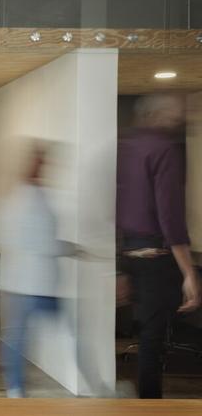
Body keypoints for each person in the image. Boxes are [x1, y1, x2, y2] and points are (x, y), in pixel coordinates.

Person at [117, 93, 201, 398]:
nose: (178, 119)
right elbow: (170, 216)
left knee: (147, 336)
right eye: (173, 114)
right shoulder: (164, 148)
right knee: (154, 340)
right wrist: (189, 272)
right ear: (155, 115)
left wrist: (121, 267)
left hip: (130, 253)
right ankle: (150, 404)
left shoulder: (126, 147)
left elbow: (119, 206)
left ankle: (144, 398)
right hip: (156, 258)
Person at [0, 140, 75, 398]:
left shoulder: (26, 195)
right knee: (21, 338)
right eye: (42, 160)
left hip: (26, 282)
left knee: (16, 337)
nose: (46, 165)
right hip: (28, 283)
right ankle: (15, 389)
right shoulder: (25, 198)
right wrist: (71, 248)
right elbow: (43, 241)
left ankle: (15, 389)